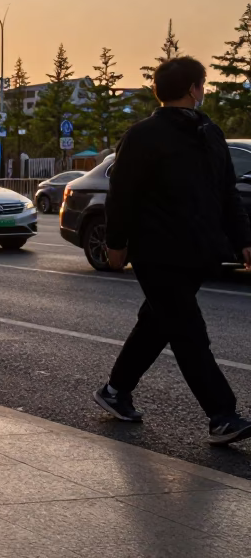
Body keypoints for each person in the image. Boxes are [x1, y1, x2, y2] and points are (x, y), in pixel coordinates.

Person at [97, 56, 251, 446]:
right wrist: (116, 244)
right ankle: (222, 415)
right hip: (158, 251)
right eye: (203, 83)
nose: (204, 90)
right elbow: (122, 195)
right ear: (193, 88)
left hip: (200, 250)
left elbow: (226, 192)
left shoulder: (209, 132)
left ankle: (115, 391)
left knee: (158, 323)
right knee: (187, 331)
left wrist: (243, 240)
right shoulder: (143, 135)